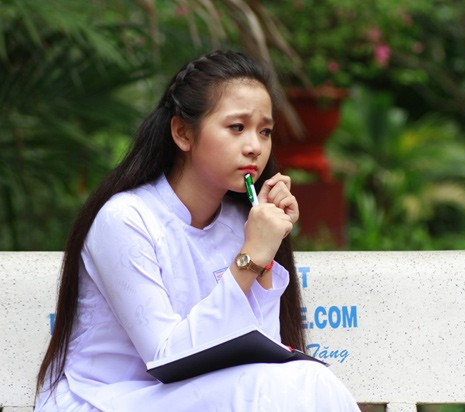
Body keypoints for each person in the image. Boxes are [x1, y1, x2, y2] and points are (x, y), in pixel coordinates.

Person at [35, 50, 360, 411]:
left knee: (307, 379)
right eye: (237, 127)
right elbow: (166, 357)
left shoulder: (241, 223)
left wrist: (265, 253)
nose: (255, 147)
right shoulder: (126, 220)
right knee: (273, 387)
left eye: (265, 131)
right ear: (183, 133)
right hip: (107, 399)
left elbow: (265, 353)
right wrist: (250, 258)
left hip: (199, 396)